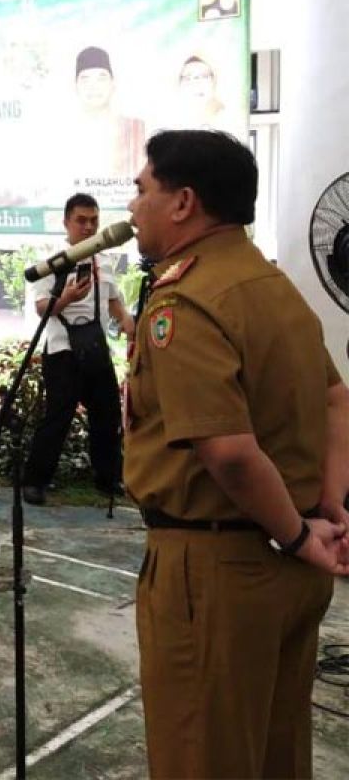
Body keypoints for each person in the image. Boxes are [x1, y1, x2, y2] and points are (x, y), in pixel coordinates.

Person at [124, 129, 349, 778]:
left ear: (184, 202)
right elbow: (339, 400)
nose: (134, 207)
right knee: (276, 752)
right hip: (290, 569)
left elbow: (227, 452)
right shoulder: (273, 287)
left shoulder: (187, 301)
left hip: (216, 570)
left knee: (205, 758)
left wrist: (297, 535)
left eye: (143, 191)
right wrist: (325, 506)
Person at [22, 193, 134, 505]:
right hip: (62, 351)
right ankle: (35, 482)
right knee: (58, 416)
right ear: (66, 223)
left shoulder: (104, 260)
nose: (88, 227)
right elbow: (42, 307)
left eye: (93, 220)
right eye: (81, 220)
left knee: (106, 413)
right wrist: (68, 297)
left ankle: (108, 477)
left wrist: (125, 319)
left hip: (95, 347)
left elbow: (112, 299)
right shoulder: (54, 261)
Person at [72, 46, 146, 178]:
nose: (93, 87)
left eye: (101, 78)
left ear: (113, 83)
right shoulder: (64, 135)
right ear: (76, 86)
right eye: (85, 79)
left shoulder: (137, 130)